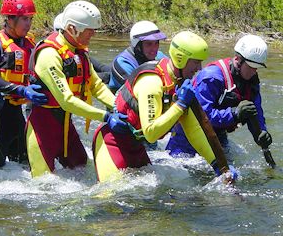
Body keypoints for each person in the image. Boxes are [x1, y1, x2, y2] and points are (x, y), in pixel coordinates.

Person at [92, 31, 238, 183]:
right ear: (181, 59)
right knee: (111, 199)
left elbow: (193, 130)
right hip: (112, 143)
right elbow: (151, 134)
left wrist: (218, 165)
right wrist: (180, 105)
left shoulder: (178, 83)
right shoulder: (152, 82)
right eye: (195, 62)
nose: (199, 68)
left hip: (136, 146)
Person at [26, 0, 129, 177]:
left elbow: (96, 85)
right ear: (72, 29)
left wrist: (118, 106)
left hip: (66, 127)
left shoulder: (79, 52)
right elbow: (66, 101)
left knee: (85, 172)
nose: (93, 35)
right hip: (42, 129)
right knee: (44, 186)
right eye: (90, 31)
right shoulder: (49, 55)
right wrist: (105, 116)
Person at [166, 34, 272, 156]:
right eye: (251, 67)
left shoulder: (251, 80)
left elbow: (255, 110)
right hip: (187, 142)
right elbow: (202, 116)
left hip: (218, 137)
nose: (254, 72)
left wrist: (261, 132)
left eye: (257, 68)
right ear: (238, 60)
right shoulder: (211, 77)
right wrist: (234, 114)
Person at [0, 0, 47, 169]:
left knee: (25, 166)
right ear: (9, 19)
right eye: (24, 19)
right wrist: (21, 90)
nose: (29, 23)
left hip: (17, 112)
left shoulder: (29, 44)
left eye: (30, 19)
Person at [108, 20, 167, 92]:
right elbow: (140, 92)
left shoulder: (159, 56)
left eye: (156, 43)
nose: (154, 49)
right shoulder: (124, 63)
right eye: (149, 44)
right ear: (137, 45)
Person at [53, 12, 111, 84]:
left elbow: (101, 67)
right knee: (107, 76)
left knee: (109, 73)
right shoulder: (52, 54)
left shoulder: (80, 51)